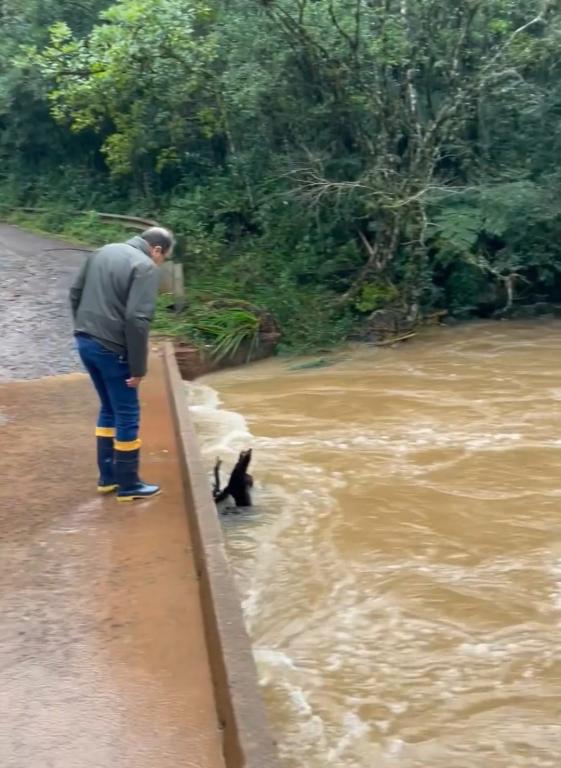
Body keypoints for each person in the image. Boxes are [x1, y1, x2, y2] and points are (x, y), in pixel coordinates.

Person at [70, 227, 174, 501]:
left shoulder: (101, 252)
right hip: (112, 348)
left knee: (108, 407)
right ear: (157, 250)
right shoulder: (145, 266)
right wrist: (138, 368)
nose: (159, 264)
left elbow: (74, 293)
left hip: (85, 341)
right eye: (161, 259)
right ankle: (129, 485)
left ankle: (108, 478)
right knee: (127, 413)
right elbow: (136, 320)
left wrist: (83, 328)